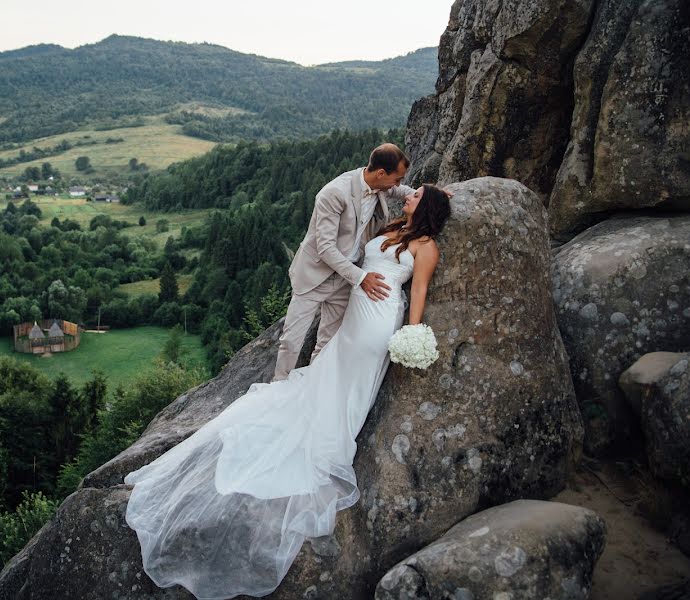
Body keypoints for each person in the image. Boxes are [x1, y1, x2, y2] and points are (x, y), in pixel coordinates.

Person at [124, 184, 453, 600]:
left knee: (349, 383)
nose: (409, 195)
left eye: (417, 195)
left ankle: (329, 435)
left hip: (378, 321)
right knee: (329, 372)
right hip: (356, 313)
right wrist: (435, 194)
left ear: (425, 207)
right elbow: (394, 193)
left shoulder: (426, 246)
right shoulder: (395, 227)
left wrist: (412, 331)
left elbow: (418, 289)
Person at [273, 143, 416, 382]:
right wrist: (361, 279)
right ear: (381, 173)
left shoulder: (382, 186)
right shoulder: (335, 193)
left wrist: (431, 193)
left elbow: (404, 192)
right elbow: (326, 248)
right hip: (315, 275)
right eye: (397, 178)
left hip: (344, 278)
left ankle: (313, 385)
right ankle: (277, 386)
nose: (398, 184)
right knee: (291, 339)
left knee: (328, 340)